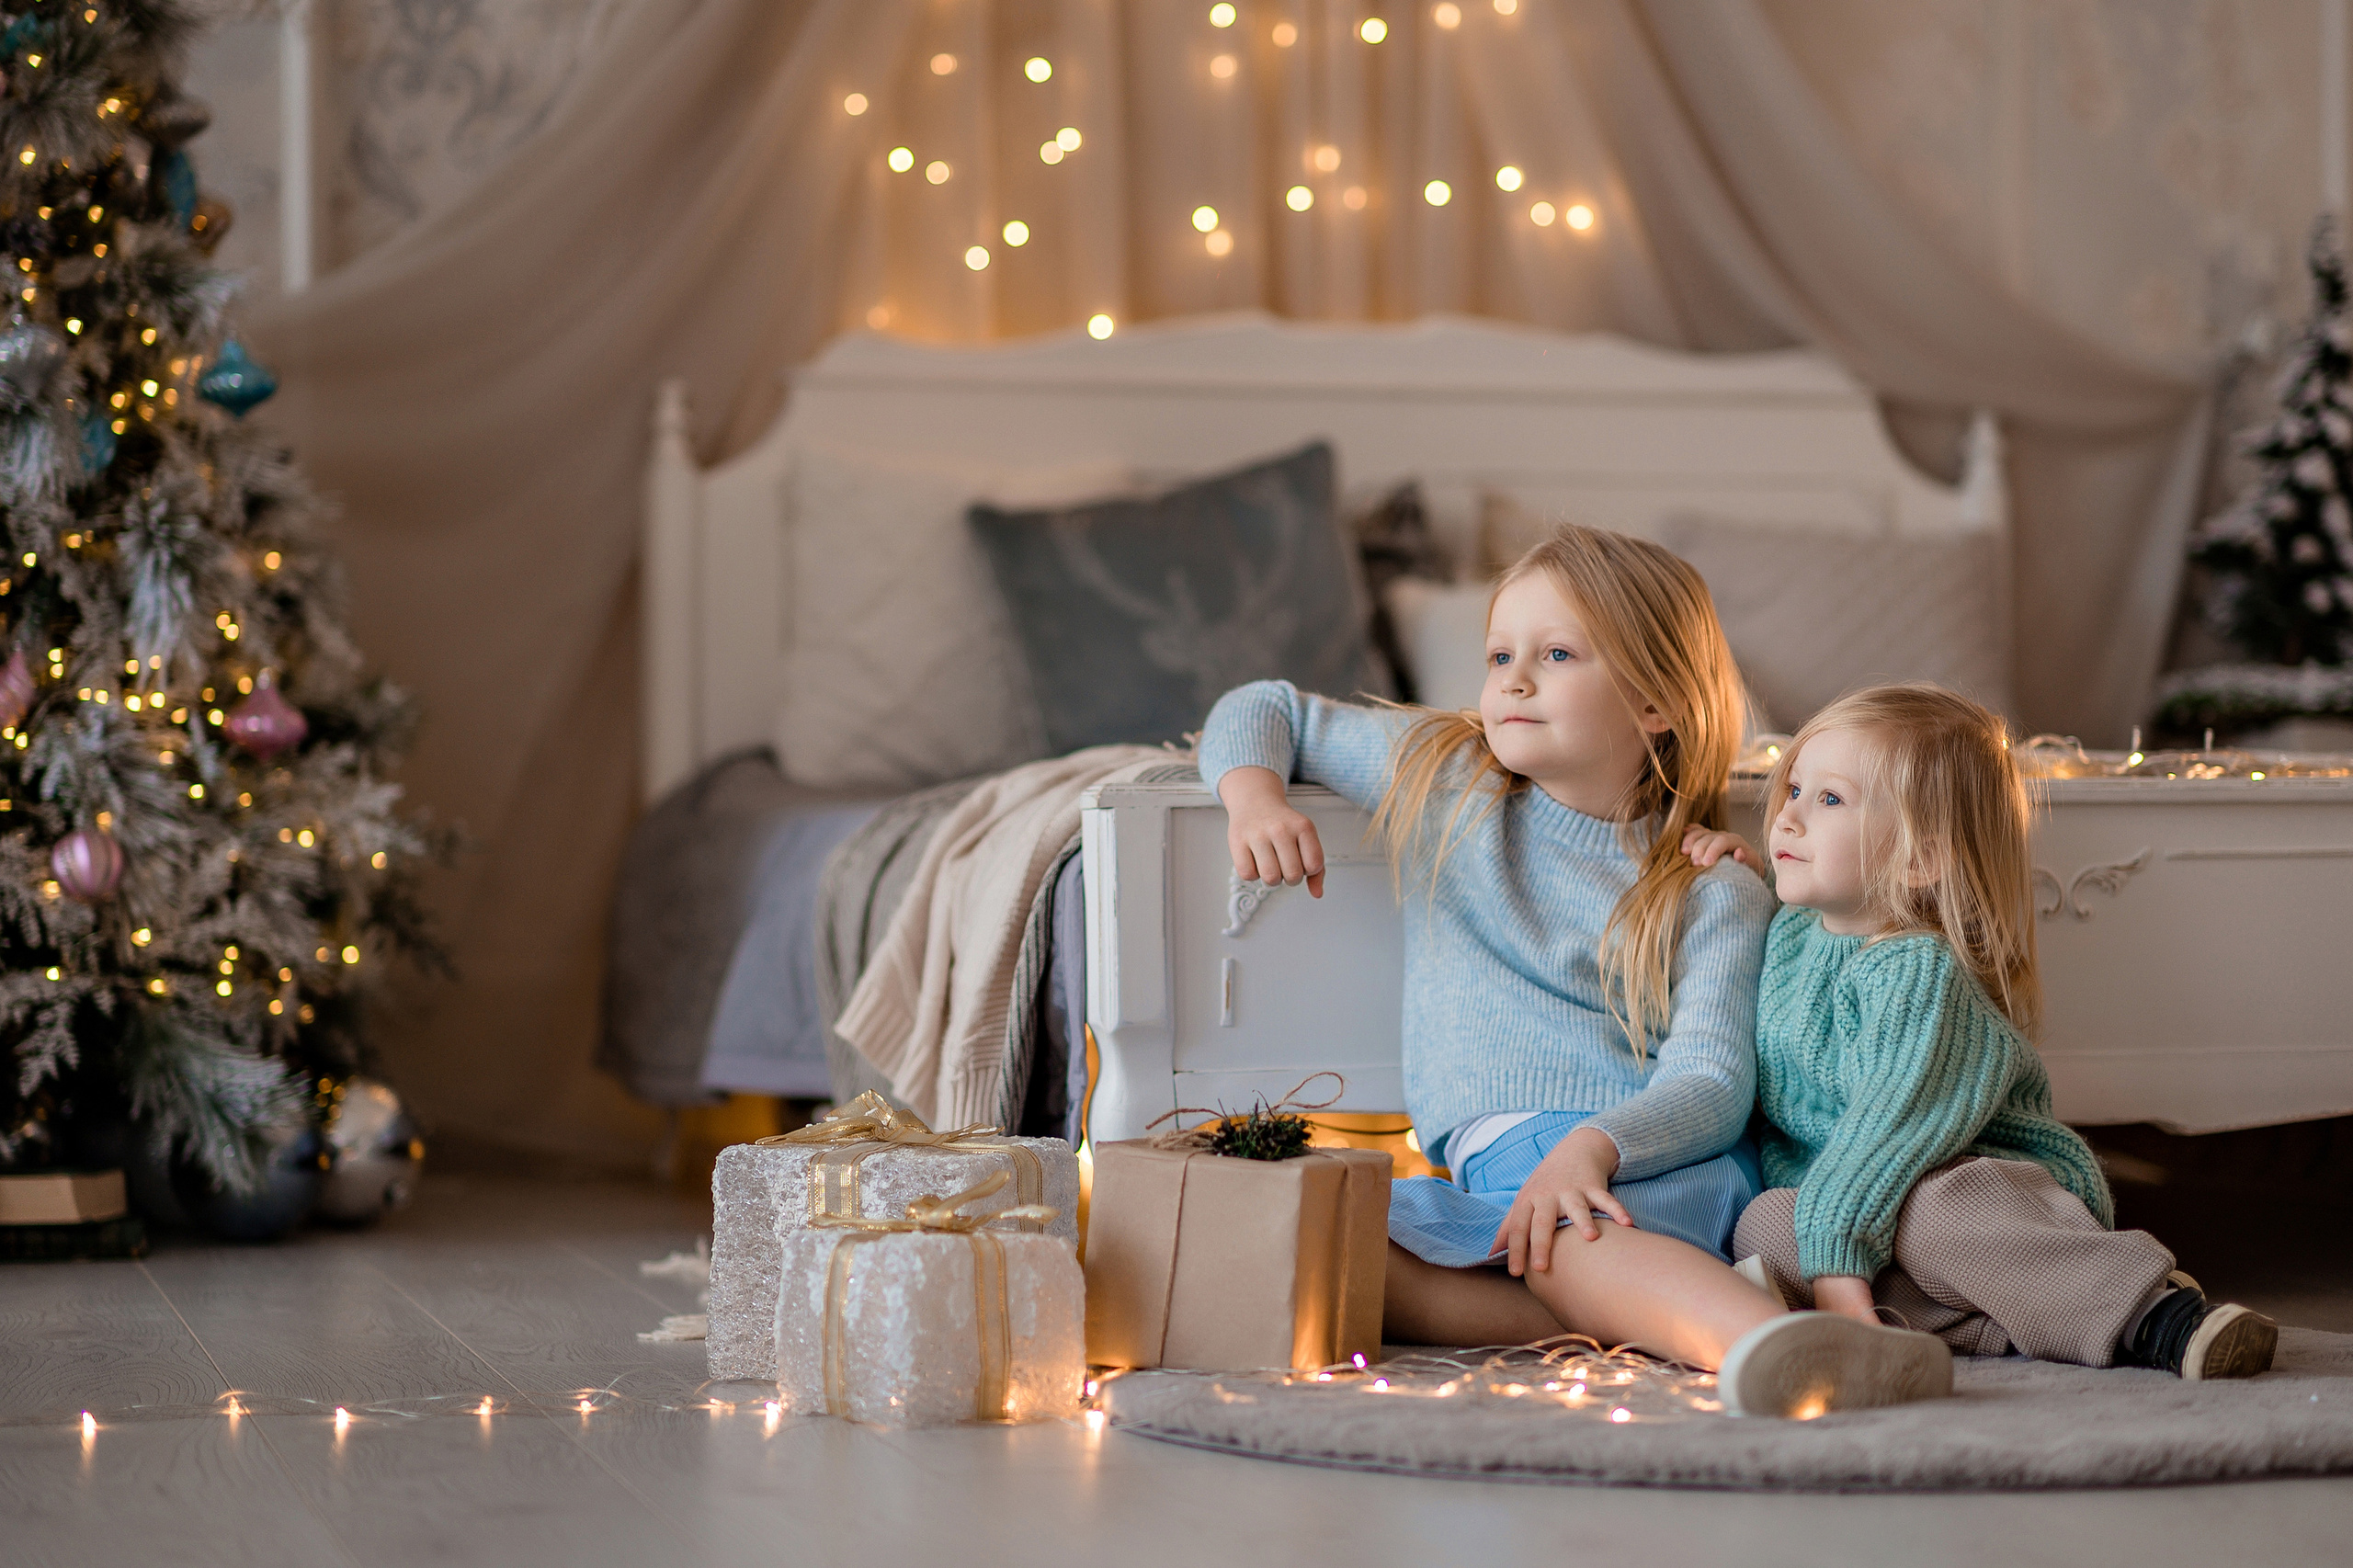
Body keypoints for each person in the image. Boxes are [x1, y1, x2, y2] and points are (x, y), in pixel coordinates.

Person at [1199, 526, 1952, 1416]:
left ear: (1655, 703)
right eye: (1499, 654)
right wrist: (1253, 797)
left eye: (1555, 653)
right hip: (1504, 1178)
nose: (1513, 679)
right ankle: (1671, 1310)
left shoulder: (1710, 885)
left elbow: (1713, 1078)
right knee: (1314, 1245)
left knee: (1569, 1239)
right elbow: (1264, 705)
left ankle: (1770, 1349)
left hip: (1642, 1162)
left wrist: (1593, 1147)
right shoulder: (1447, 780)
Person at [1681, 683, 2277, 1390]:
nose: (1788, 818)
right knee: (1766, 1223)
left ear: (1919, 862)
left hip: (1975, 1191)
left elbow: (1885, 1130)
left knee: (1933, 1213)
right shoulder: (1793, 938)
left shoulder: (1916, 971)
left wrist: (1837, 1268)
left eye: (1830, 800)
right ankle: (2011, 1324)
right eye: (1794, 790)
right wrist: (1742, 870)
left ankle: (2150, 1311)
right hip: (1856, 1205)